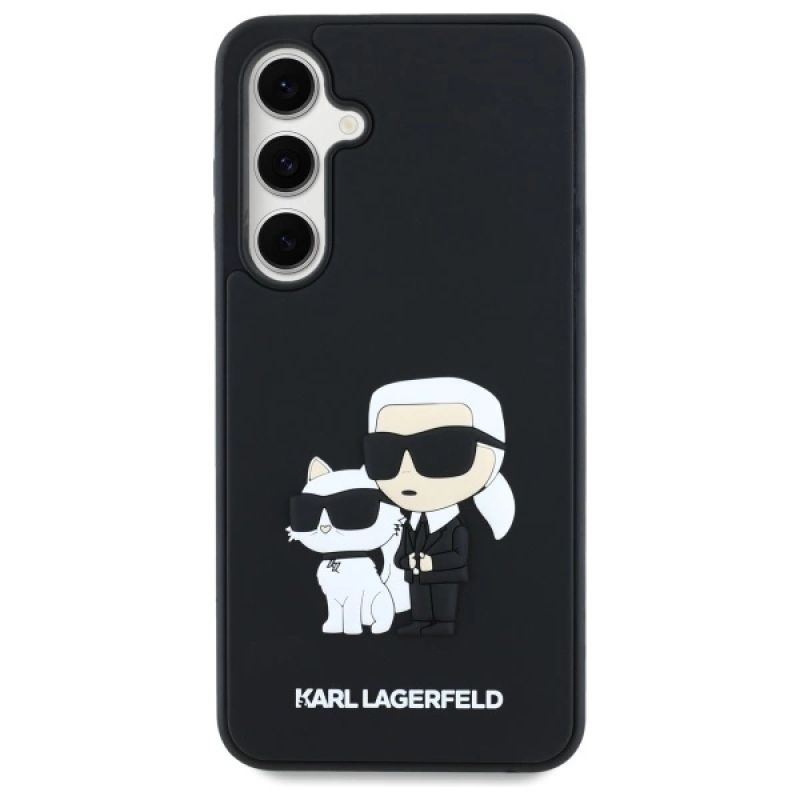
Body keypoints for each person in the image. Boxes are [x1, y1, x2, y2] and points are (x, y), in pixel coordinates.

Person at [363, 377, 515, 636]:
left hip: (444, 579)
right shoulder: (410, 525)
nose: (407, 469)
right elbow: (401, 554)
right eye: (386, 451)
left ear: (492, 456)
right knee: (420, 600)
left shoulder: (456, 527)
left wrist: (432, 563)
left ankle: (442, 623)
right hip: (416, 577)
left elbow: (458, 556)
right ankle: (421, 621)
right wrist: (407, 561)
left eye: (443, 450)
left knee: (442, 602)